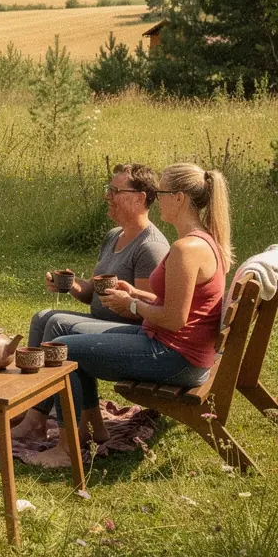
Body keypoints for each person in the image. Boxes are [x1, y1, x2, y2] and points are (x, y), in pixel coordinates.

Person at [32, 163, 232, 468]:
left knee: (63, 348)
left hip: (175, 357)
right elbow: (181, 306)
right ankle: (86, 432)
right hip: (174, 347)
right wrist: (137, 294)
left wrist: (133, 305)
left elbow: (176, 319)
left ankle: (68, 449)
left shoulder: (186, 249)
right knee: (65, 336)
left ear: (179, 198)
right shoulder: (201, 242)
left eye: (162, 192)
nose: (157, 197)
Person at [12, 163, 169, 441]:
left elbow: (149, 313)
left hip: (130, 336)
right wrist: (73, 284)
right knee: (42, 317)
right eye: (108, 189)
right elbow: (91, 293)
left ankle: (38, 419)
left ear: (140, 197)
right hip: (102, 323)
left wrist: (124, 300)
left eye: (115, 190)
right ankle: (31, 407)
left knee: (59, 325)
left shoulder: (151, 247)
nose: (108, 196)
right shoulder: (113, 236)